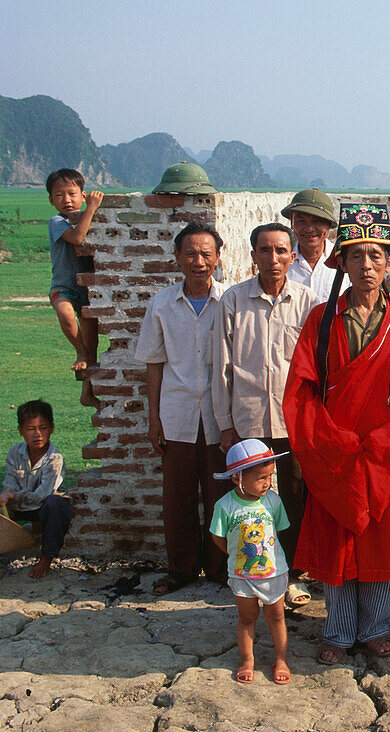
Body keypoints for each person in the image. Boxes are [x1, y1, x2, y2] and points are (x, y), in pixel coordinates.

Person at [283, 203, 390, 665]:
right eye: (356, 256)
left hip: (384, 455)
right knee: (337, 543)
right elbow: (300, 395)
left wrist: (388, 445)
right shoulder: (320, 322)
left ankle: (375, 626)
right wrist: (330, 443)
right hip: (335, 454)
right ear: (341, 263)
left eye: (375, 256)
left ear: (389, 262)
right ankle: (339, 628)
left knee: (380, 540)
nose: (366, 266)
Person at [213, 223, 317, 608]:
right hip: (249, 422)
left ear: (293, 256)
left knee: (293, 500)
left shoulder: (308, 302)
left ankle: (291, 577)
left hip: (293, 423)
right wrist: (225, 424)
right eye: (265, 250)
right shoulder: (235, 301)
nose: (273, 259)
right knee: (250, 505)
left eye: (281, 251)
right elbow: (221, 367)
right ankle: (249, 576)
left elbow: (318, 370)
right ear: (253, 254)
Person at [136, 222, 230, 595]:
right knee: (178, 498)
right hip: (176, 415)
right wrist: (153, 418)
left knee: (220, 496)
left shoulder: (229, 301)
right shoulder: (161, 303)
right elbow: (154, 363)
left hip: (218, 414)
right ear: (177, 258)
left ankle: (221, 569)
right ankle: (182, 569)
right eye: (190, 253)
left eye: (206, 254)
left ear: (218, 258)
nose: (198, 261)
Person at [209, 439, 292, 685]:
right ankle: (247, 660)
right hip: (242, 576)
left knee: (277, 616)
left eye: (269, 476)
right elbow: (218, 537)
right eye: (260, 478)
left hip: (273, 573)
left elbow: (278, 531)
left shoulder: (273, 501)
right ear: (237, 478)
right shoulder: (225, 506)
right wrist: (235, 556)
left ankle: (281, 659)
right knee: (247, 618)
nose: (267, 483)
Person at [45, 168, 101, 407]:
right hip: (64, 287)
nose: (66, 200)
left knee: (93, 346)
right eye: (59, 195)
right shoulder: (57, 221)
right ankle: (79, 352)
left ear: (82, 194)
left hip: (86, 292)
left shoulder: (93, 220)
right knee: (65, 314)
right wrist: (91, 208)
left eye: (71, 193)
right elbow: (77, 238)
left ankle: (87, 392)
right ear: (51, 200)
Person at [1, 400, 72, 578]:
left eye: (43, 428)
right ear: (20, 431)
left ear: (52, 428)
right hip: (19, 507)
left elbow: (43, 495)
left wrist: (13, 496)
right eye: (30, 429)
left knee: (55, 503)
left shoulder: (54, 458)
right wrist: (6, 496)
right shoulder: (14, 453)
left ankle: (47, 557)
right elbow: (9, 482)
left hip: (42, 508)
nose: (37, 434)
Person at [283, 187, 349, 300]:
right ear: (292, 224)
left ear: (329, 226)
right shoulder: (281, 262)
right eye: (301, 221)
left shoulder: (345, 261)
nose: (309, 229)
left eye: (317, 221)